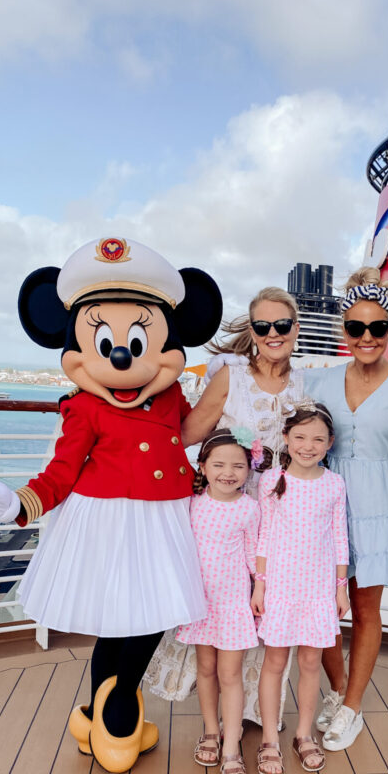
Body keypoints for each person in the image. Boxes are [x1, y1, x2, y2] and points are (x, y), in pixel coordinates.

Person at [0, 236, 223, 774]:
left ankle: (97, 711)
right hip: (104, 519)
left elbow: (188, 431)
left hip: (163, 517)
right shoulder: (82, 408)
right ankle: (120, 713)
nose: (121, 353)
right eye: (104, 341)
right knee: (118, 620)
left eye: (137, 338)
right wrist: (18, 504)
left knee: (151, 617)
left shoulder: (172, 396)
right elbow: (60, 471)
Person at [146, 287, 308, 727]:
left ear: (296, 327)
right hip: (228, 510)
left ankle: (257, 709)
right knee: (224, 608)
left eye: (282, 324)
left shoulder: (304, 382)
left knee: (269, 608)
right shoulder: (229, 379)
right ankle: (217, 718)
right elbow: (186, 434)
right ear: (252, 332)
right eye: (263, 326)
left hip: (283, 515)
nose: (273, 333)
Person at [304, 268, 388, 751]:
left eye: (377, 327)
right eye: (357, 328)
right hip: (320, 503)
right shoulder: (317, 380)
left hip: (376, 503)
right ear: (344, 330)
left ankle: (352, 706)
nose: (367, 337)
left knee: (365, 609)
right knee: (319, 610)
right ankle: (338, 692)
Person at [250, 404, 349, 774]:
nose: (308, 446)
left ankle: (304, 734)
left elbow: (341, 538)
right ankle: (270, 739)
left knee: (310, 664)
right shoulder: (272, 480)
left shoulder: (333, 483)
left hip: (319, 589)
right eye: (301, 437)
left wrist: (340, 590)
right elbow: (263, 537)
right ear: (287, 439)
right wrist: (260, 585)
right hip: (280, 586)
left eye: (318, 439)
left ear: (330, 443)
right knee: (274, 663)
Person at [174, 427, 261, 774]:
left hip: (233, 602)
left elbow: (254, 554)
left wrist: (260, 591)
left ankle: (231, 747)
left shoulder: (249, 508)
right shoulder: (191, 504)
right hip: (200, 602)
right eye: (220, 464)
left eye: (238, 465)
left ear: (249, 469)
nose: (229, 472)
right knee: (205, 669)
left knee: (230, 674)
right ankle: (211, 730)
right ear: (203, 467)